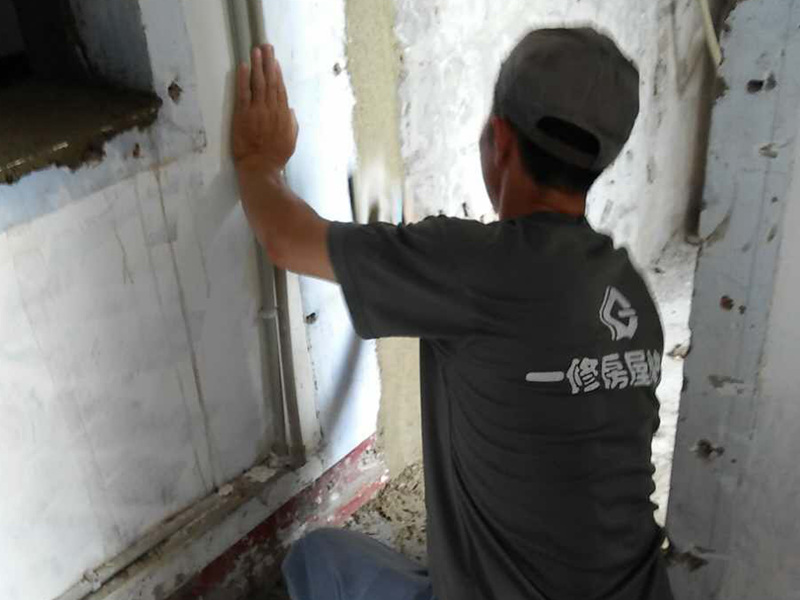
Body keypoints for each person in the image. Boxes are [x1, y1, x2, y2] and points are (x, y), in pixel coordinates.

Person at [232, 28, 674, 600]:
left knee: (318, 559)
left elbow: (285, 238)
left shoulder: (470, 264)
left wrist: (257, 160)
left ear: (500, 140)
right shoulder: (629, 290)